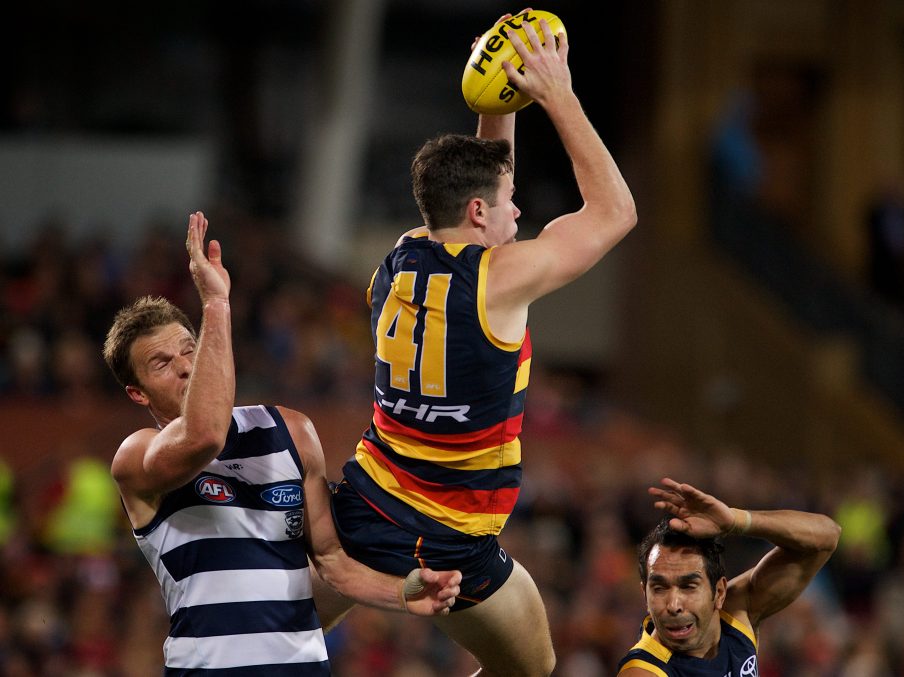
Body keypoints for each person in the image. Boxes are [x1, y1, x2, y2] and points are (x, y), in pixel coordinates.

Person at [330, 11, 636, 677]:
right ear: (477, 213)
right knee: (530, 667)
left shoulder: (402, 254)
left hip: (361, 501)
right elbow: (615, 212)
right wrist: (557, 93)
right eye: (509, 203)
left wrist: (499, 101)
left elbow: (481, 187)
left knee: (261, 644)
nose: (518, 213)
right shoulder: (499, 280)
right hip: (448, 537)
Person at [103, 212, 461, 676]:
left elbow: (332, 562)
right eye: (161, 363)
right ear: (138, 392)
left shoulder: (289, 431)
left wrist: (403, 592)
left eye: (190, 349)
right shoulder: (137, 457)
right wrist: (216, 303)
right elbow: (206, 435)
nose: (186, 367)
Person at [617, 478, 841, 676]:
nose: (674, 605)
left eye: (688, 586)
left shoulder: (737, 612)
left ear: (720, 593)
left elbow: (827, 535)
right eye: (659, 588)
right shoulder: (643, 672)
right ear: (644, 596)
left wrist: (737, 521)